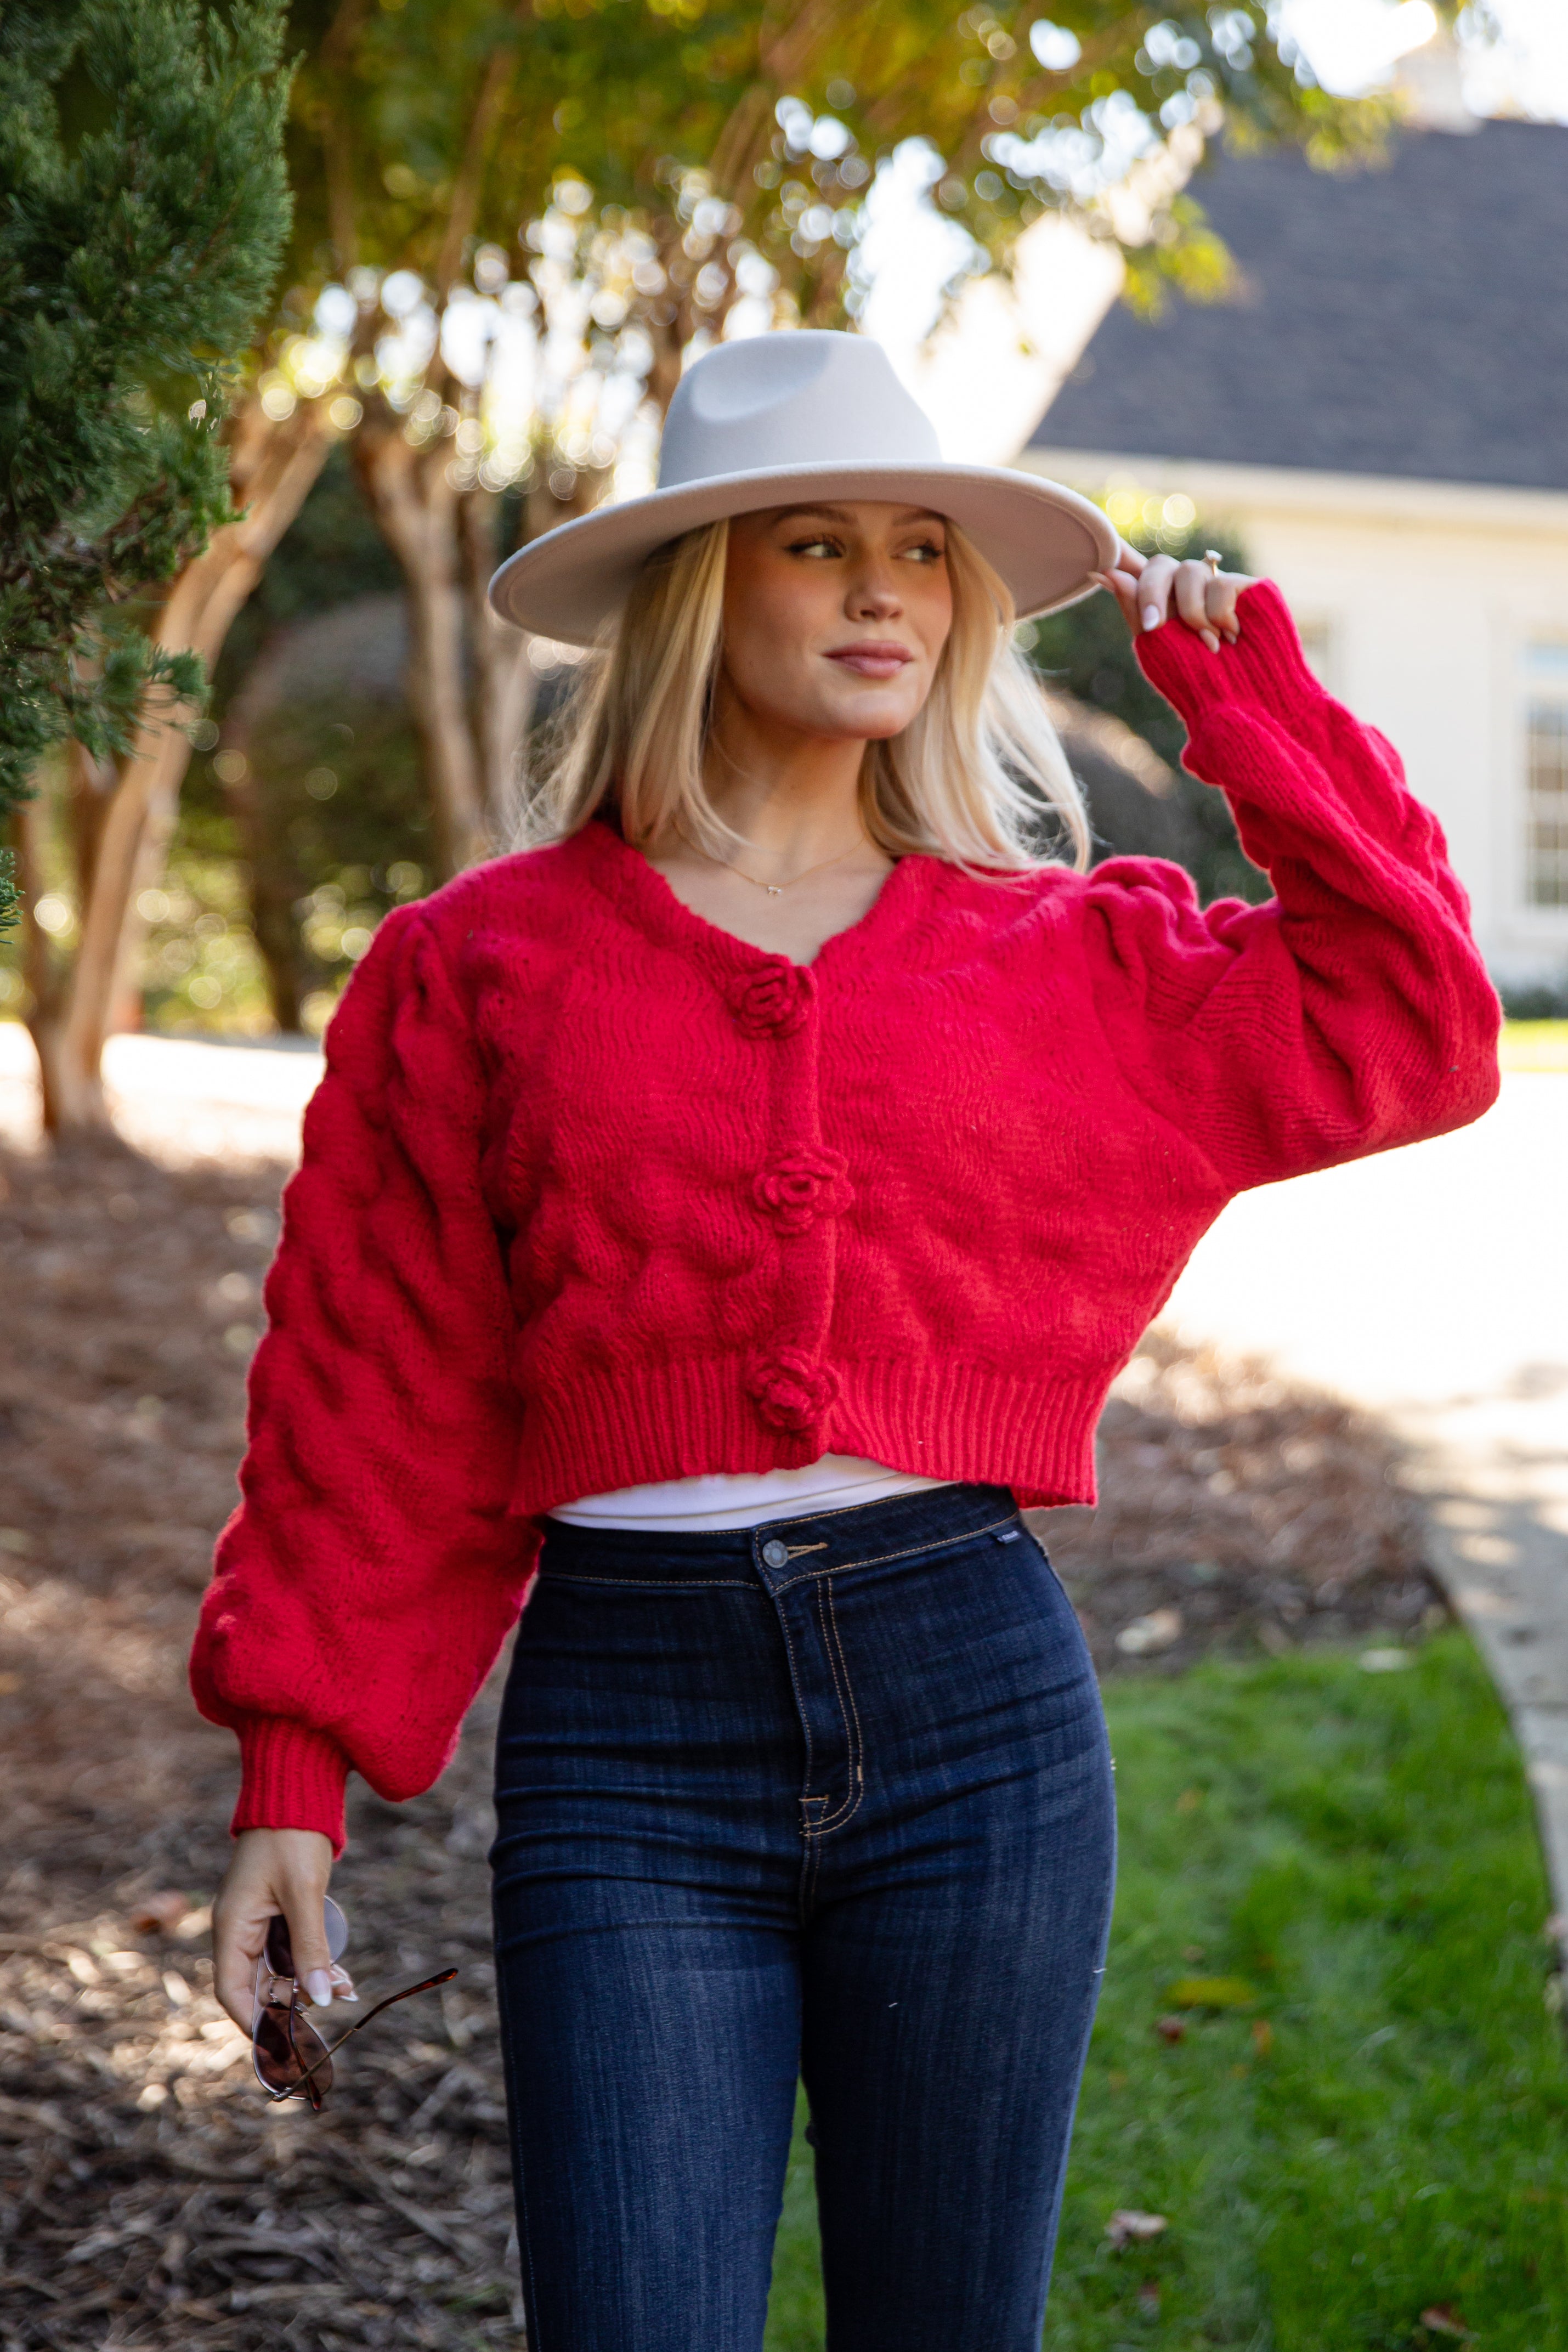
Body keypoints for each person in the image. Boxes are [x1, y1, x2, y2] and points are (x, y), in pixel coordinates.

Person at [196, 330, 1499, 2351]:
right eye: (817, 545)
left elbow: (1410, 1024)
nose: (883, 587)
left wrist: (1245, 699)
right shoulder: (481, 969)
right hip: (625, 1733)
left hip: (972, 1700)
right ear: (703, 593)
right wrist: (293, 1770)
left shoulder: (1066, 954)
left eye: (918, 548)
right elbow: (378, 1400)